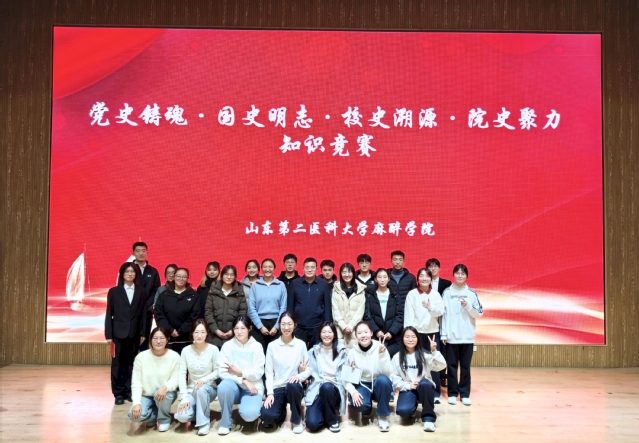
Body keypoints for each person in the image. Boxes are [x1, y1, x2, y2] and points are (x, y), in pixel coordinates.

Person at [441, 264, 483, 406]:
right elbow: (443, 315)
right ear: (453, 275)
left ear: (467, 276)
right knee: (451, 366)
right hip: (451, 337)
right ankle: (452, 393)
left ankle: (464, 394)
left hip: (467, 337)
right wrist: (444, 334)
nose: (460, 276)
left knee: (465, 367)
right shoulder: (447, 292)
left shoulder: (471, 294)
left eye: (463, 274)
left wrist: (468, 306)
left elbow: (478, 313)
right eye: (457, 273)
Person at [105, 262, 147, 405]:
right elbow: (109, 314)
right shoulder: (114, 291)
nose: (130, 274)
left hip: (134, 333)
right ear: (122, 274)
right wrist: (109, 335)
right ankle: (118, 393)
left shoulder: (142, 291)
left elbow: (143, 314)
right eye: (127, 271)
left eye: (132, 272)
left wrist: (143, 332)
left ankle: (129, 391)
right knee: (117, 363)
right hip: (117, 333)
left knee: (131, 363)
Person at [391, 327, 446, 432]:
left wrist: (434, 351)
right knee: (403, 411)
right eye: (407, 337)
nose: (410, 339)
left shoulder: (425, 355)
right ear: (402, 339)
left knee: (425, 384)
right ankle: (412, 405)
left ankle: (428, 419)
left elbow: (442, 366)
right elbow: (394, 378)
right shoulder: (397, 357)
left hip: (424, 388)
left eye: (413, 337)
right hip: (408, 388)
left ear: (417, 339)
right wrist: (408, 386)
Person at [260, 311, 308, 433]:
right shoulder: (272, 346)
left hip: (294, 387)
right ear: (279, 325)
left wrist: (299, 376)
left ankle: (296, 420)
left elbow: (309, 369)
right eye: (283, 324)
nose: (286, 327)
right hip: (277, 387)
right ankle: (281, 412)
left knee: (293, 386)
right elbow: (269, 372)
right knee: (267, 417)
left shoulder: (301, 345)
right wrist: (270, 393)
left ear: (295, 325)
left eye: (289, 324)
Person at [216, 316, 264, 435]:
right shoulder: (227, 346)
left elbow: (258, 372)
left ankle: (250, 410)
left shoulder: (257, 346)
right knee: (223, 386)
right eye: (236, 328)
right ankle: (225, 422)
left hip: (253, 388)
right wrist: (243, 380)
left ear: (250, 329)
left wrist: (240, 372)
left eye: (243, 328)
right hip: (235, 388)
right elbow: (222, 372)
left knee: (249, 415)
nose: (239, 331)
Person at [128, 326, 180, 432]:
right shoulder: (141, 357)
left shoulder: (174, 356)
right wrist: (136, 403)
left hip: (165, 393)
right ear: (150, 339)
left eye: (162, 338)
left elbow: (176, 379)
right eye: (155, 338)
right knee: (133, 415)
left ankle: (164, 419)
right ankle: (154, 415)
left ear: (167, 339)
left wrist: (165, 387)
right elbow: (136, 383)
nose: (158, 341)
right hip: (146, 395)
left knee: (165, 396)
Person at [404, 268, 445, 402]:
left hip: (432, 333)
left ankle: (435, 394)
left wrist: (430, 307)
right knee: (417, 363)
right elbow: (409, 315)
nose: (424, 278)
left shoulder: (436, 294)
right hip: (417, 334)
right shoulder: (412, 294)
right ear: (417, 279)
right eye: (421, 276)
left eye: (427, 276)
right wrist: (409, 334)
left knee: (433, 362)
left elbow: (440, 312)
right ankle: (417, 391)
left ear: (431, 279)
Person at [345, 321, 393, 432]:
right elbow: (346, 379)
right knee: (359, 404)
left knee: (383, 380)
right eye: (359, 333)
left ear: (371, 333)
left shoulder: (380, 347)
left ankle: (383, 416)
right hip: (362, 384)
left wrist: (382, 356)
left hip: (378, 383)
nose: (363, 335)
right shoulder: (352, 352)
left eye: (366, 332)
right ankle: (366, 407)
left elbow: (387, 373)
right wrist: (353, 392)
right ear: (356, 336)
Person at [175, 318, 220, 435]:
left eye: (202, 332)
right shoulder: (185, 351)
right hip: (191, 391)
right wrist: (184, 397)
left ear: (207, 333)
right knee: (182, 417)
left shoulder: (214, 349)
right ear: (192, 333)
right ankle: (197, 412)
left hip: (208, 389)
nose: (199, 335)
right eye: (196, 332)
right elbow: (181, 375)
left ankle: (203, 423)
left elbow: (218, 371)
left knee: (200, 389)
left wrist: (203, 380)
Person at [301, 321, 348, 433]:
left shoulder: (342, 351)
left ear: (334, 334)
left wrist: (351, 370)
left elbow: (347, 375)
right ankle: (324, 413)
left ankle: (332, 420)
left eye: (330, 332)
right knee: (312, 424)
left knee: (327, 386)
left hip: (334, 391)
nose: (327, 334)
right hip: (317, 390)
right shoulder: (313, 352)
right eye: (324, 332)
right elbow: (307, 372)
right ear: (320, 334)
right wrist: (302, 370)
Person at [154, 267, 200, 356]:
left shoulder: (194, 296)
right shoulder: (164, 294)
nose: (181, 279)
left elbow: (195, 316)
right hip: (167, 337)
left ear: (188, 278)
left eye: (184, 277)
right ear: (174, 277)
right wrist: (170, 330)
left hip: (186, 339)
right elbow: (159, 314)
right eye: (178, 276)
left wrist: (180, 331)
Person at [288, 257, 332, 349]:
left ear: (316, 269)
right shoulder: (295, 283)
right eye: (307, 267)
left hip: (317, 326)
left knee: (317, 352)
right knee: (298, 352)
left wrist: (327, 325)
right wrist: (290, 324)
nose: (309, 270)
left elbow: (327, 306)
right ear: (303, 268)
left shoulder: (323, 284)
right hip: (299, 327)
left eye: (312, 267)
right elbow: (290, 306)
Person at [248, 258, 287, 354]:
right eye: (265, 267)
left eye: (270, 267)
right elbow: (251, 308)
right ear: (261, 268)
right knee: (259, 353)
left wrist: (277, 326)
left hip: (276, 322)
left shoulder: (281, 285)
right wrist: (260, 326)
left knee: (276, 353)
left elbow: (283, 307)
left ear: (274, 269)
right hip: (258, 323)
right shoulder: (255, 285)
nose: (267, 269)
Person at [363, 268, 404, 358]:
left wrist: (392, 332)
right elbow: (367, 315)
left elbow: (399, 316)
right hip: (375, 337)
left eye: (385, 277)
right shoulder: (369, 295)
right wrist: (376, 331)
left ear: (389, 279)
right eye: (380, 277)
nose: (382, 280)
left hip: (393, 338)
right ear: (375, 279)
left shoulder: (395, 295)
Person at [205, 265, 246, 348]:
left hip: (234, 337)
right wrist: (215, 330)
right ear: (221, 275)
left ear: (235, 277)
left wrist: (233, 331)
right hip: (214, 337)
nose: (229, 277)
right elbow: (208, 312)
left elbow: (243, 312)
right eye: (226, 274)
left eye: (232, 274)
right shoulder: (213, 291)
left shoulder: (240, 292)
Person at [426, 258, 452, 387]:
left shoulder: (447, 284)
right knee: (430, 348)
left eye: (435, 266)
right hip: (428, 321)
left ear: (439, 268)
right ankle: (429, 374)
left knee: (444, 349)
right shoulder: (423, 283)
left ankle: (443, 375)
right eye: (430, 266)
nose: (433, 268)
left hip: (443, 319)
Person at [131, 242, 161, 351]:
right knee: (131, 339)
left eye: (143, 251)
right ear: (133, 253)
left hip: (147, 312)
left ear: (147, 252)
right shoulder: (128, 269)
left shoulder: (153, 271)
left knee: (145, 338)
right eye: (138, 251)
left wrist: (146, 306)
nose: (141, 253)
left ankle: (144, 359)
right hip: (131, 311)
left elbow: (156, 291)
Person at [331, 263, 367, 347]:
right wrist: (343, 326)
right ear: (340, 274)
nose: (347, 275)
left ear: (353, 273)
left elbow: (360, 311)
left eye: (349, 272)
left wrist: (350, 326)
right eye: (344, 272)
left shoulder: (360, 289)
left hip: (355, 330)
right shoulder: (336, 289)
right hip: (339, 330)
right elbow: (335, 310)